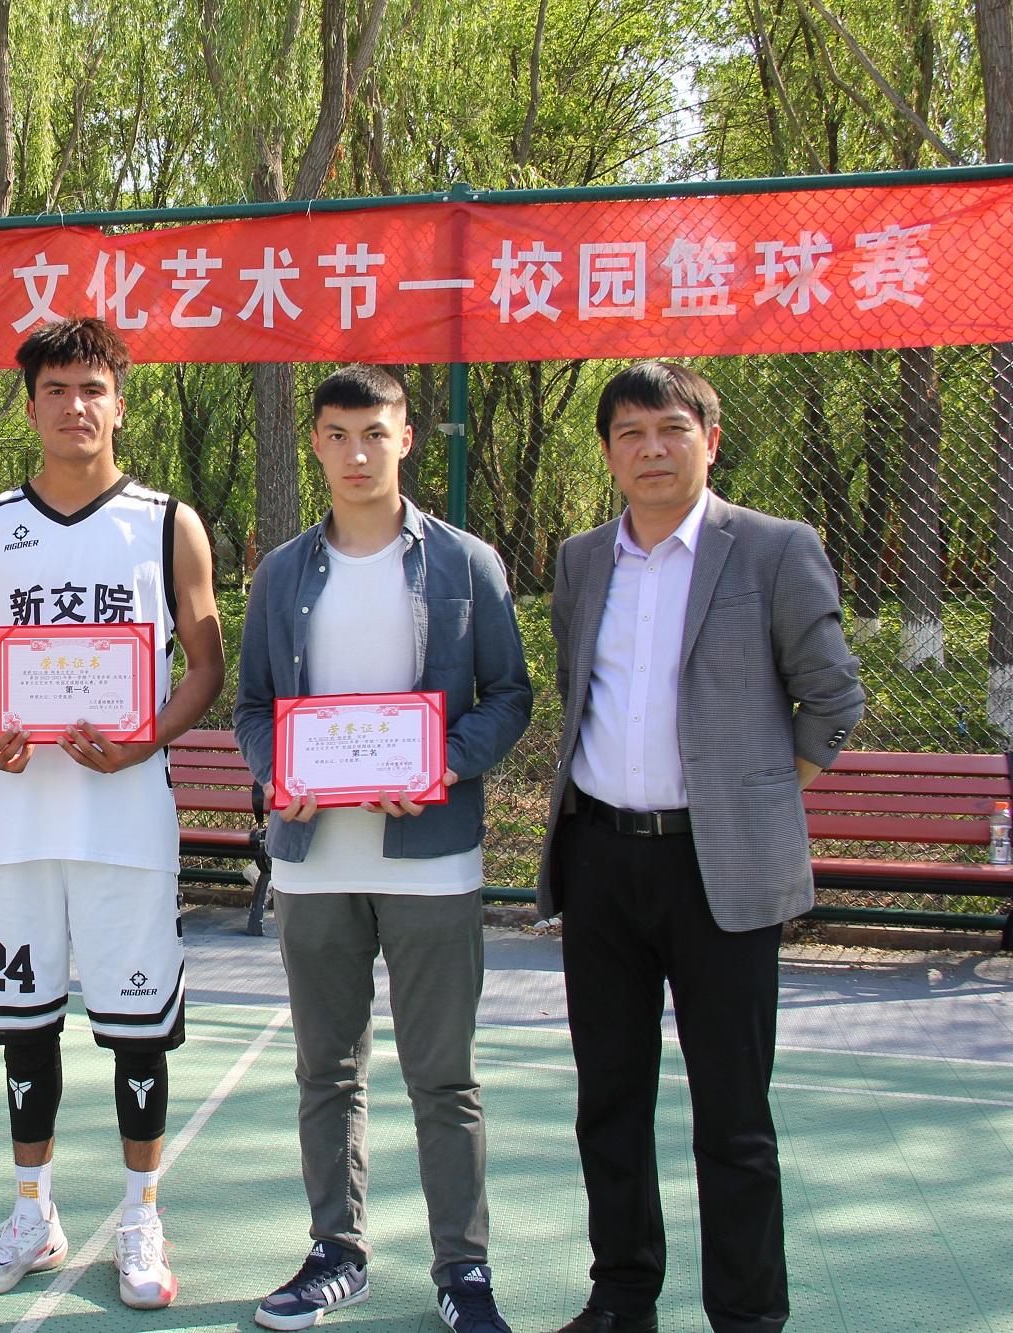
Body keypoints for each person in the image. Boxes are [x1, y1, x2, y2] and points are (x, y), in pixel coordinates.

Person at [541, 362, 864, 1333]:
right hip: (600, 859)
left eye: (671, 429)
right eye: (630, 433)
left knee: (732, 1115)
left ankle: (747, 1315)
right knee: (608, 1101)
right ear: (608, 452)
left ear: (709, 442)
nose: (651, 449)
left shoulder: (771, 549)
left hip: (718, 870)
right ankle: (621, 1296)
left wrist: (751, 800)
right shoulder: (580, 560)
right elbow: (576, 686)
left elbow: (832, 698)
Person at [233, 365, 532, 1333]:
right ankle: (336, 1250)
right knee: (326, 1070)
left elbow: (509, 695)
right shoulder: (282, 572)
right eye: (336, 434)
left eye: (373, 433)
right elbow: (251, 707)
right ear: (314, 444)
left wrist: (441, 762)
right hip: (312, 858)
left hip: (431, 860)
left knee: (442, 1075)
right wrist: (277, 769)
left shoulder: (465, 563)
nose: (355, 453)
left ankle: (463, 1268)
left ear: (405, 438)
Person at [0, 317, 224, 1310]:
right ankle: (33, 1212)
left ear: (119, 402)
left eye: (92, 388)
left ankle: (141, 1215)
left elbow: (205, 665)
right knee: (24, 1022)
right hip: (17, 820)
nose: (75, 406)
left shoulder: (167, 522)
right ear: (30, 408)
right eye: (56, 389)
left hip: (125, 820)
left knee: (136, 1026)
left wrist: (148, 738)